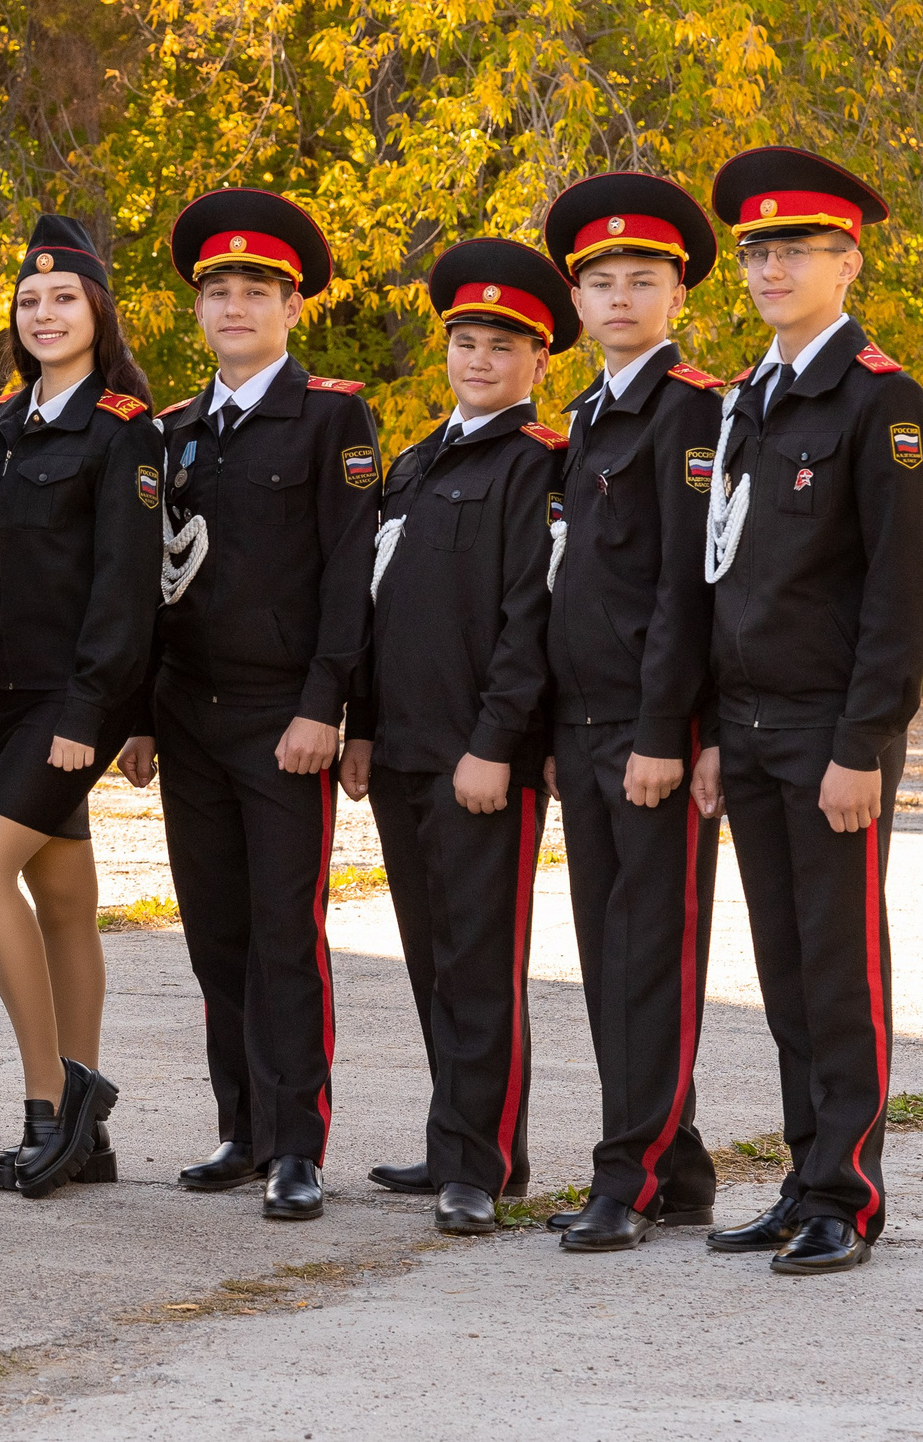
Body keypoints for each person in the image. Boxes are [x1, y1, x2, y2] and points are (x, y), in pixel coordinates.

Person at [698, 147, 923, 1275]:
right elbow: (723, 573)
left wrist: (862, 747)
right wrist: (708, 728)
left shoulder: (881, 402)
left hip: (828, 738)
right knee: (786, 969)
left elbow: (901, 595)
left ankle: (849, 1192)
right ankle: (803, 1181)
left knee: (840, 968)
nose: (769, 266)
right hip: (746, 733)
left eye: (794, 248)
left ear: (847, 261)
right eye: (755, 250)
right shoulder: (747, 397)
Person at [120, 188, 380, 1224]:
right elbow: (152, 586)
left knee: (284, 930)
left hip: (284, 721)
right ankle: (242, 1126)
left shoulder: (328, 417)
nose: (234, 306)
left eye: (255, 291)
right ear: (198, 309)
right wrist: (140, 712)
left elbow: (349, 568)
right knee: (214, 931)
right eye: (217, 291)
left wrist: (328, 704)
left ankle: (299, 1143)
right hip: (188, 716)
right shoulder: (176, 431)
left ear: (290, 307)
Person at [347, 237, 575, 1237]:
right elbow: (376, 607)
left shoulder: (538, 466)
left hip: (481, 759)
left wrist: (497, 742)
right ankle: (460, 1141)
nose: (479, 360)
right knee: (431, 957)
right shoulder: (415, 462)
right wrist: (359, 727)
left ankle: (478, 1168)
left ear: (536, 362)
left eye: (501, 346)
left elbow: (534, 620)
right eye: (465, 342)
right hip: (399, 752)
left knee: (480, 963)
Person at [533, 174, 730, 1253]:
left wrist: (664, 732)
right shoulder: (590, 413)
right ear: (576, 299)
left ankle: (630, 1175)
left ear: (674, 295)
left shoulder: (689, 409)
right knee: (607, 959)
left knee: (649, 955)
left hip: (652, 733)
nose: (617, 297)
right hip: (586, 730)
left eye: (639, 281)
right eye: (599, 282)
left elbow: (686, 589)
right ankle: (678, 1161)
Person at [0, 215, 155, 1199]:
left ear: (96, 312)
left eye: (62, 297)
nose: (43, 312)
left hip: (78, 701)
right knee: (63, 901)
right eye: (28, 301)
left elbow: (125, 587)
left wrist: (92, 711)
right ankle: (92, 1142)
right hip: (16, 699)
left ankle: (50, 1108)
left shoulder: (123, 429)